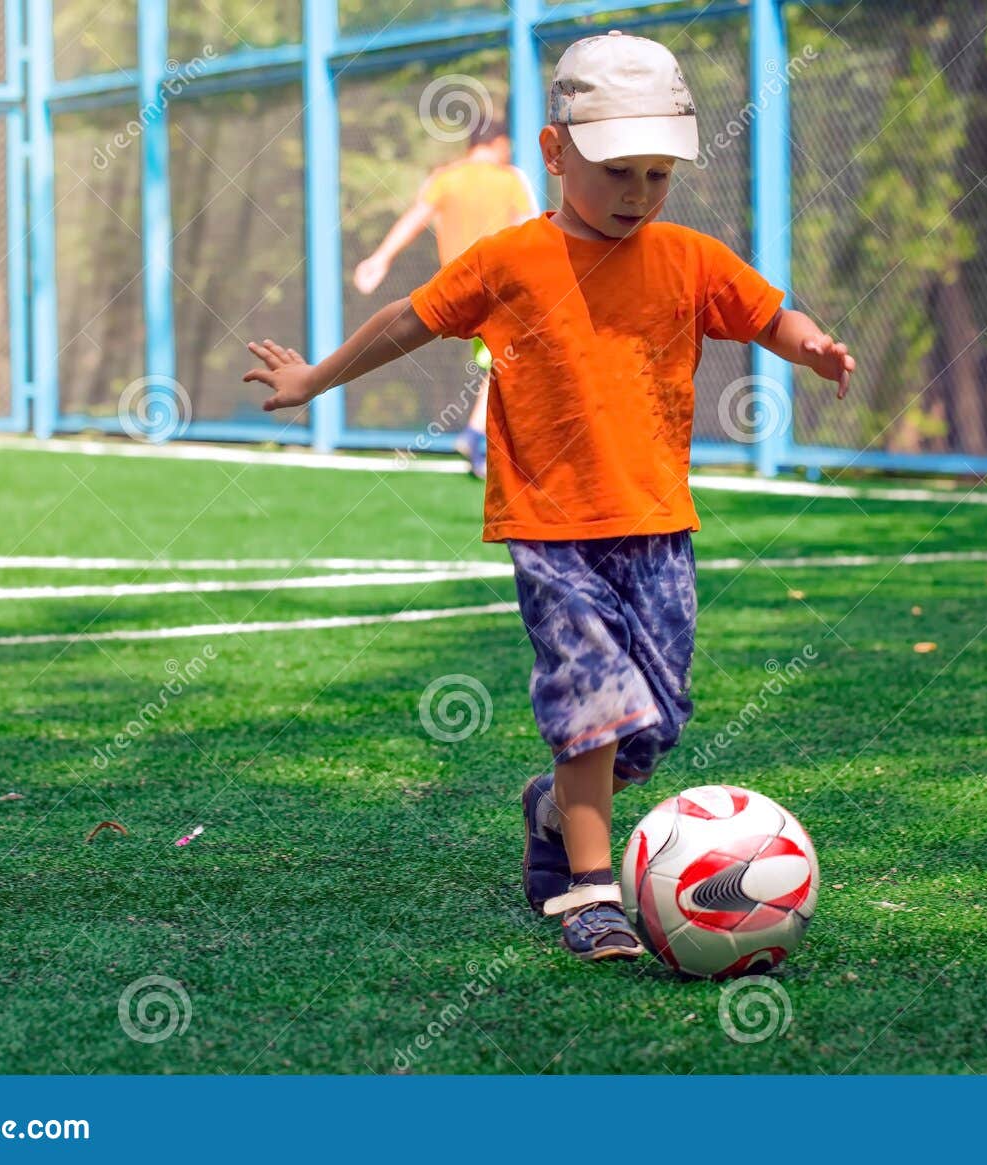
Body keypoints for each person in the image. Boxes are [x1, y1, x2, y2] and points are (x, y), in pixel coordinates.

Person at [244, 30, 853, 962]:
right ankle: (591, 891)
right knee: (594, 706)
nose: (639, 193)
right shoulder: (510, 261)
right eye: (619, 171)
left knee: (652, 725)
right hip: (553, 533)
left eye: (658, 173)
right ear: (555, 151)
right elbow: (409, 318)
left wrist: (808, 345)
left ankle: (551, 806)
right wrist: (315, 378)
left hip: (659, 531)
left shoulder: (688, 257)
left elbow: (767, 311)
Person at [352, 116, 537, 479]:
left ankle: (486, 440)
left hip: (457, 291)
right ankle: (476, 435)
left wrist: (380, 259)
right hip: (500, 287)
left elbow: (414, 217)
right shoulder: (509, 179)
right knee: (511, 358)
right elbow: (530, 225)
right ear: (499, 143)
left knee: (501, 361)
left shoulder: (445, 178)